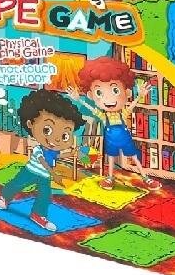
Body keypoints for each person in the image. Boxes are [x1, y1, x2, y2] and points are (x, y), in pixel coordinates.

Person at [0, 89, 84, 232]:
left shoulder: (54, 151)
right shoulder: (37, 149)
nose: (57, 139)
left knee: (45, 195)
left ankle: (38, 214)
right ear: (30, 124)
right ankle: (4, 197)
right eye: (47, 130)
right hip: (30, 171)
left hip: (45, 176)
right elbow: (43, 162)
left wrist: (71, 153)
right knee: (17, 184)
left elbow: (56, 157)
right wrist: (54, 174)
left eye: (65, 136)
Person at [67, 56, 161, 191]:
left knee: (134, 157)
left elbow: (132, 106)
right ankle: (110, 178)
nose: (108, 99)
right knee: (111, 158)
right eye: (99, 92)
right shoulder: (103, 116)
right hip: (111, 140)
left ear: (127, 92)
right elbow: (92, 109)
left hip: (125, 139)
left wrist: (140, 95)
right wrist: (79, 100)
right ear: (91, 95)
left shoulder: (123, 114)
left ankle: (146, 178)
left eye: (115, 90)